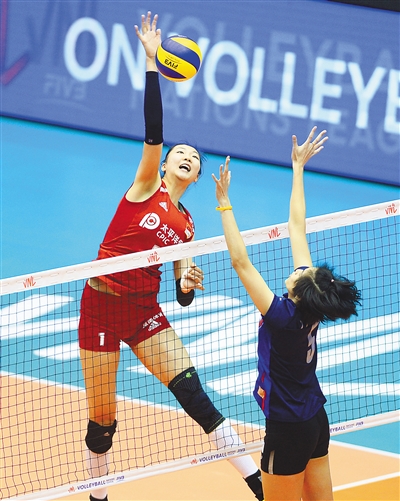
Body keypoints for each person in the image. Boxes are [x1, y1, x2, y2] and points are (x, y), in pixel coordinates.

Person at [78, 12, 264, 501]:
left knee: (195, 396)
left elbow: (183, 296)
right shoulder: (145, 188)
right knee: (102, 422)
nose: (187, 157)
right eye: (179, 153)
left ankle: (259, 485)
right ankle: (99, 496)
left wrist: (186, 286)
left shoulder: (189, 226)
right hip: (100, 306)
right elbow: (154, 129)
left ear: (197, 176)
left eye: (194, 158)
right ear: (163, 165)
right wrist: (150, 62)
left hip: (144, 312)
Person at [212, 127, 361, 501]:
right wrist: (298, 169)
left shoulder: (281, 316)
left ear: (299, 291)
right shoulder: (309, 305)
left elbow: (241, 262)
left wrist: (225, 204)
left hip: (287, 428)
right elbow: (297, 226)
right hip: (315, 418)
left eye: (302, 273)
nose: (299, 269)